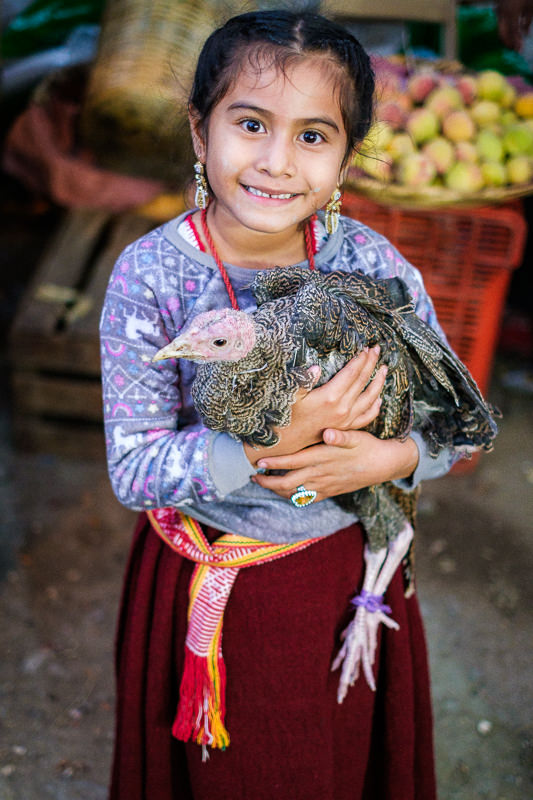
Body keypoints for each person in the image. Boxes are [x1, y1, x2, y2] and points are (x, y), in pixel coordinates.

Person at [100, 9, 458, 799]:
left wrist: (390, 457)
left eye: (311, 135)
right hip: (210, 573)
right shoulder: (150, 277)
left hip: (332, 580)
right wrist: (265, 444)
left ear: (346, 156)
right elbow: (133, 470)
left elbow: (454, 425)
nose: (275, 162)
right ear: (200, 133)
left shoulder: (372, 266)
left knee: (327, 762)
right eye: (250, 123)